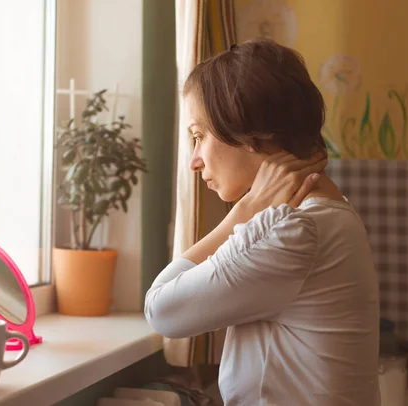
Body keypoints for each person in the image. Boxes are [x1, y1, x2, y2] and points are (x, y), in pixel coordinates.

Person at [145, 39, 379, 406]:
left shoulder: (294, 231)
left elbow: (160, 310)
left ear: (249, 132)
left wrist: (243, 212)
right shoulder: (326, 215)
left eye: (198, 136)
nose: (194, 160)